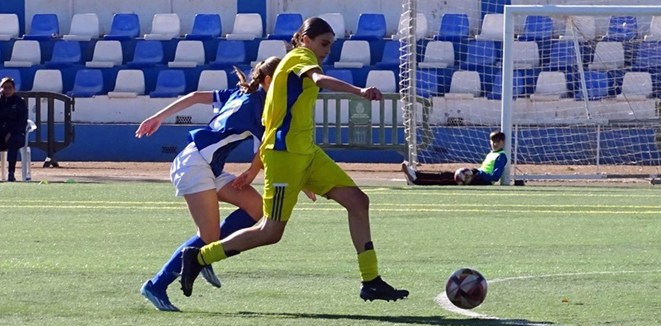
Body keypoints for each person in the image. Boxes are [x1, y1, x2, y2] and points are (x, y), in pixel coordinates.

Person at [179, 17, 409, 302]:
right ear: (304, 39)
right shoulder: (299, 57)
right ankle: (199, 257)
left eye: (330, 45)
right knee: (270, 231)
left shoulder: (302, 58)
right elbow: (319, 79)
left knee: (358, 201)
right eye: (323, 43)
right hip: (284, 156)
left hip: (307, 153)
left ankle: (371, 280)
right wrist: (358, 91)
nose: (326, 50)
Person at [135, 57, 282, 311]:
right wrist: (253, 172)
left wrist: (157, 117)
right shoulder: (257, 106)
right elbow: (266, 152)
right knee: (209, 236)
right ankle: (157, 284)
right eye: (283, 82)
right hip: (195, 164)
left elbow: (194, 96)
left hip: (206, 165)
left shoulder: (241, 92)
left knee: (256, 207)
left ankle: (204, 257)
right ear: (268, 81)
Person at [401, 130, 507, 185]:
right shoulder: (491, 153)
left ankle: (416, 179)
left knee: (447, 178)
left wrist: (478, 173)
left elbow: (495, 176)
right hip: (478, 176)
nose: (495, 144)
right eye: (493, 141)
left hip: (483, 180)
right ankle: (416, 176)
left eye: (498, 141)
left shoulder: (501, 156)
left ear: (502, 142)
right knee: (448, 176)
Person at [0, 77, 28, 182]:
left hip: (14, 134)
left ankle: (11, 172)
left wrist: (11, 133)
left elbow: (22, 122)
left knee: (13, 141)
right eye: (4, 87)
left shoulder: (19, 102)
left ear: (14, 88)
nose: (7, 90)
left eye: (9, 87)